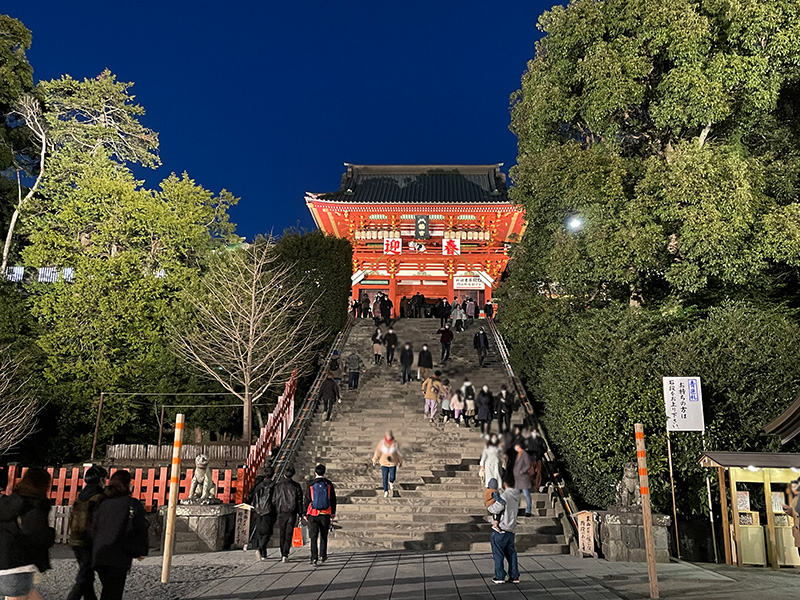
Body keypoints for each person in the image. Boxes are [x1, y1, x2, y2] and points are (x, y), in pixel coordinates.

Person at [91, 470, 149, 600]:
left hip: (100, 553)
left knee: (108, 590)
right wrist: (140, 550)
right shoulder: (131, 504)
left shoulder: (102, 502)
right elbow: (139, 528)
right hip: (118, 555)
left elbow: (93, 528)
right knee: (113, 593)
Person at [0, 467, 55, 600]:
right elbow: (37, 534)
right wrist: (51, 534)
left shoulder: (7, 503)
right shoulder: (34, 505)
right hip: (18, 563)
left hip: (4, 560)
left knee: (30, 595)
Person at [67, 465, 108, 600]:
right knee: (85, 575)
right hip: (90, 540)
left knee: (87, 575)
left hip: (76, 539)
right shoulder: (99, 497)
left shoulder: (81, 496)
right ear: (100, 479)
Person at [488, 480, 522, 584]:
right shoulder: (517, 496)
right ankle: (514, 575)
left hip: (501, 528)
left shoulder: (504, 496)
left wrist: (490, 505)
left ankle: (500, 576)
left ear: (505, 484)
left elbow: (495, 509)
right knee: (511, 553)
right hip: (511, 529)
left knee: (498, 554)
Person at [304, 464, 337, 566]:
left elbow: (307, 499)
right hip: (325, 513)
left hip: (313, 513)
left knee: (313, 537)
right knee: (323, 535)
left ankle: (314, 557)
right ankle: (323, 555)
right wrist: (333, 512)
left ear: (315, 473)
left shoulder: (310, 484)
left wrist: (305, 512)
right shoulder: (328, 483)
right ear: (324, 472)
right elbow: (332, 499)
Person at [272, 466, 303, 563]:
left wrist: (276, 508)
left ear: (284, 474)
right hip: (292, 512)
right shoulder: (296, 486)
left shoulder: (278, 486)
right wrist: (300, 513)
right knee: (289, 533)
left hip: (281, 511)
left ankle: (282, 552)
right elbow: (299, 501)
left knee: (282, 532)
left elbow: (274, 500)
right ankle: (286, 553)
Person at [247, 465, 276, 560]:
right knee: (267, 532)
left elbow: (252, 497)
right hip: (269, 510)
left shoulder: (258, 485)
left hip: (258, 510)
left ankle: (264, 553)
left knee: (260, 532)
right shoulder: (274, 485)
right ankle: (260, 549)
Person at [372, 430, 403, 498]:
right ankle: (386, 491)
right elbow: (378, 452)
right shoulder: (381, 443)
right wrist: (374, 460)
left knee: (392, 476)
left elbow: (399, 454)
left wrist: (400, 461)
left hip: (393, 463)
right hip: (384, 463)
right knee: (384, 477)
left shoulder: (395, 444)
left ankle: (391, 482)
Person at [513, 442, 533, 518]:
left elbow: (528, 465)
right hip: (517, 477)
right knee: (516, 494)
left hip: (523, 477)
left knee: (526, 494)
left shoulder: (525, 454)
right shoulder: (517, 454)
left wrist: (521, 471)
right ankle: (516, 509)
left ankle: (528, 510)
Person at [527, 429, 547, 493]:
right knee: (531, 472)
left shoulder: (540, 440)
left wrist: (540, 453)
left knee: (539, 473)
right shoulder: (528, 440)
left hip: (538, 458)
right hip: (531, 459)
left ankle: (536, 487)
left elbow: (545, 448)